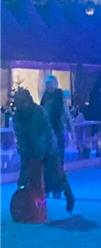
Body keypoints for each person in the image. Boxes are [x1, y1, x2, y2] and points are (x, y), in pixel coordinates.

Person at [12, 89, 75, 219]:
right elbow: (20, 136)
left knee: (56, 175)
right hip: (30, 149)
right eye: (17, 103)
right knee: (26, 178)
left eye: (22, 102)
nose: (20, 105)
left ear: (28, 101)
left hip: (49, 149)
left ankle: (68, 193)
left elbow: (38, 137)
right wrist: (24, 154)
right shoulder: (17, 116)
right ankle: (29, 204)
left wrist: (38, 158)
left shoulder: (38, 112)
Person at [40, 75, 69, 170]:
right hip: (46, 130)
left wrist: (71, 129)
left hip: (58, 129)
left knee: (59, 153)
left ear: (55, 84)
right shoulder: (45, 96)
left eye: (50, 83)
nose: (48, 86)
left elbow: (65, 112)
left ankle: (58, 172)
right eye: (47, 84)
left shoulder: (60, 96)